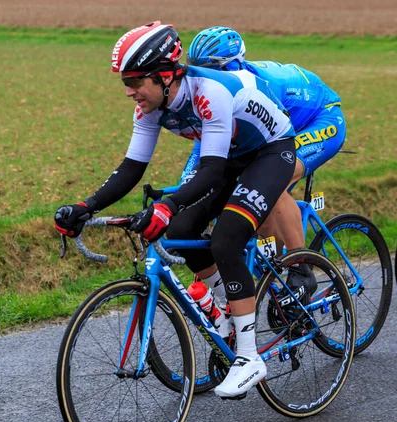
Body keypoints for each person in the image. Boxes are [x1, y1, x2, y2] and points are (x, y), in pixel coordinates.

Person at [54, 21, 299, 398]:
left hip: (269, 153)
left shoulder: (210, 92)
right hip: (230, 158)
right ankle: (229, 311)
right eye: (125, 83)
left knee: (227, 238)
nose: (130, 92)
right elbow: (132, 167)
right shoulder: (152, 105)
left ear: (165, 75)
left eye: (135, 82)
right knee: (180, 234)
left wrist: (166, 206)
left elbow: (212, 170)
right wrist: (84, 207)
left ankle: (249, 357)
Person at [186, 26, 346, 266]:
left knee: (274, 182)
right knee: (246, 194)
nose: (201, 79)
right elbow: (204, 147)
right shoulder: (213, 93)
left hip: (321, 119)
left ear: (231, 67)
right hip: (281, 129)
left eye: (209, 71)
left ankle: (300, 271)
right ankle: (272, 269)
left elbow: (276, 146)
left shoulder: (258, 87)